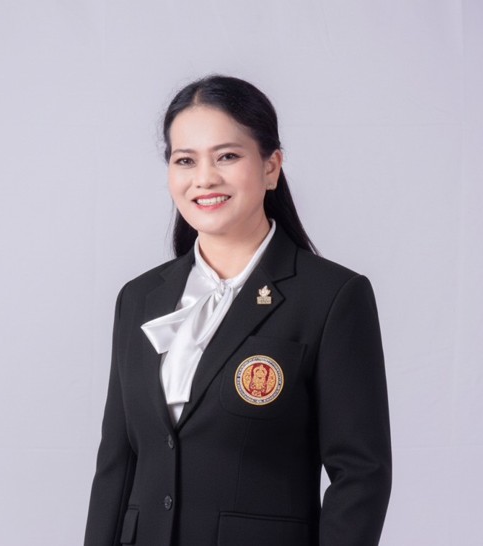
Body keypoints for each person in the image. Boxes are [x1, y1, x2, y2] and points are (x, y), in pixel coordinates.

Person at [84, 75, 392, 546]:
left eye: (227, 156)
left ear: (271, 167)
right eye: (185, 160)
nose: (204, 178)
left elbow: (361, 474)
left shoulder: (332, 296)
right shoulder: (139, 297)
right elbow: (118, 461)